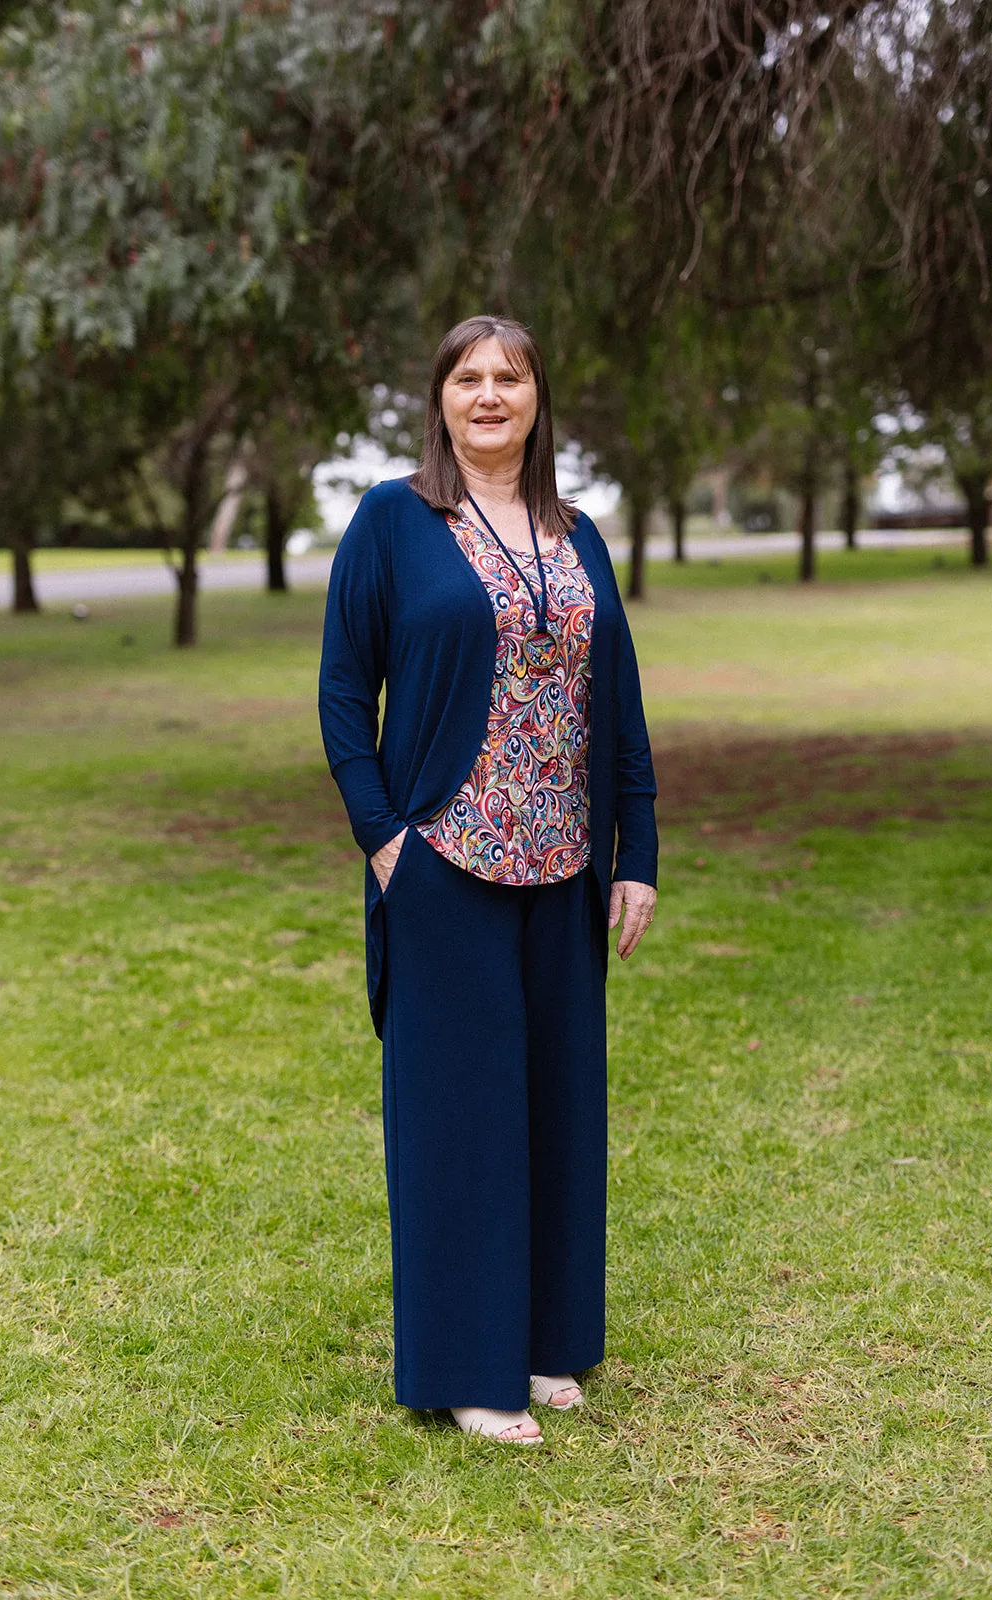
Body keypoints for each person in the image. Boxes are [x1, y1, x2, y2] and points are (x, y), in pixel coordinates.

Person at [319, 315, 658, 1444]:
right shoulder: (392, 521)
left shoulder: (579, 534)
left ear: (535, 397)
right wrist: (385, 844)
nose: (488, 393)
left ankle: (545, 1343)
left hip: (562, 863)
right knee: (461, 1118)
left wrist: (636, 855)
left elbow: (618, 707)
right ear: (440, 398)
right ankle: (468, 1369)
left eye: (508, 375)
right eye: (467, 377)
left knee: (556, 1107)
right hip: (445, 861)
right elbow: (339, 695)